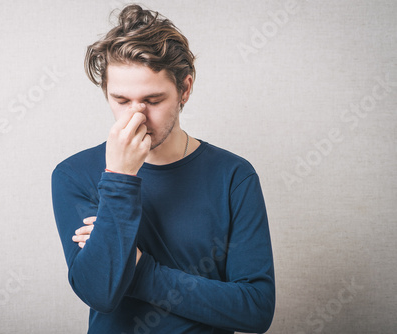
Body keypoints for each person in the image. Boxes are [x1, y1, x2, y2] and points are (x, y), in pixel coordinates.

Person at [51, 4, 275, 333]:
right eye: (121, 100)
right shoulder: (75, 174)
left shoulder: (233, 176)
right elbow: (99, 293)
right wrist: (119, 179)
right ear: (106, 93)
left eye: (153, 100)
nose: (136, 117)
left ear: (185, 89)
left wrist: (139, 270)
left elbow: (256, 310)